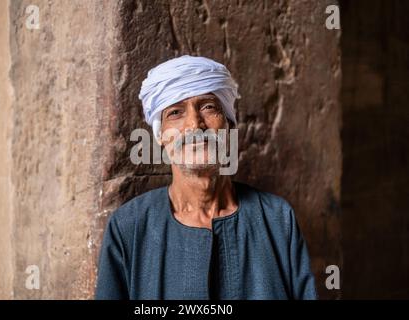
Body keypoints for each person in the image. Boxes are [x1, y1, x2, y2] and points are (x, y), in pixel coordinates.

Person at [95, 55, 317, 300]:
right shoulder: (130, 227)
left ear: (229, 124)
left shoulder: (277, 219)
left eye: (208, 107)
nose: (194, 125)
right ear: (160, 135)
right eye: (176, 113)